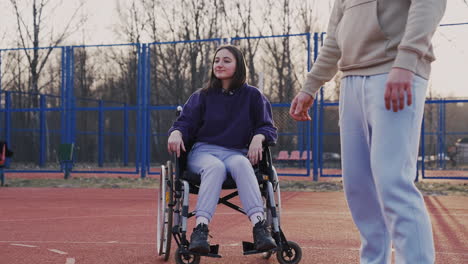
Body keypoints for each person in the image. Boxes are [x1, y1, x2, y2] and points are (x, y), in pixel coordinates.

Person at [290, 1, 446, 263]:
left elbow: (429, 4)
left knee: (392, 182)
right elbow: (334, 39)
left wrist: (406, 61)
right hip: (350, 80)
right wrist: (310, 85)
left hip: (394, 71)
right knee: (359, 188)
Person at [167, 45, 278, 254]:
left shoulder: (253, 96)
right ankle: (200, 230)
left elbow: (267, 126)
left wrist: (258, 137)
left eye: (226, 60)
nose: (219, 64)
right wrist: (176, 133)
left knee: (243, 163)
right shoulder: (202, 96)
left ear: (238, 66)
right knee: (215, 167)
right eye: (217, 60)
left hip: (236, 153)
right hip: (203, 153)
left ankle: (260, 227)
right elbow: (184, 123)